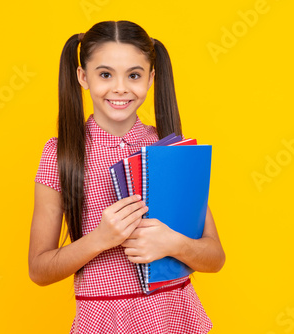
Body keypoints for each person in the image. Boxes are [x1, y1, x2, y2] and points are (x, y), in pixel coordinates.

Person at [28, 20, 225, 333]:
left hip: (173, 316)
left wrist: (172, 243)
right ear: (83, 77)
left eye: (134, 75)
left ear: (150, 79)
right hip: (103, 319)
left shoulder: (171, 149)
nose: (120, 88)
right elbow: (39, 269)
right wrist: (100, 239)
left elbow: (214, 257)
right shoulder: (59, 154)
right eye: (105, 74)